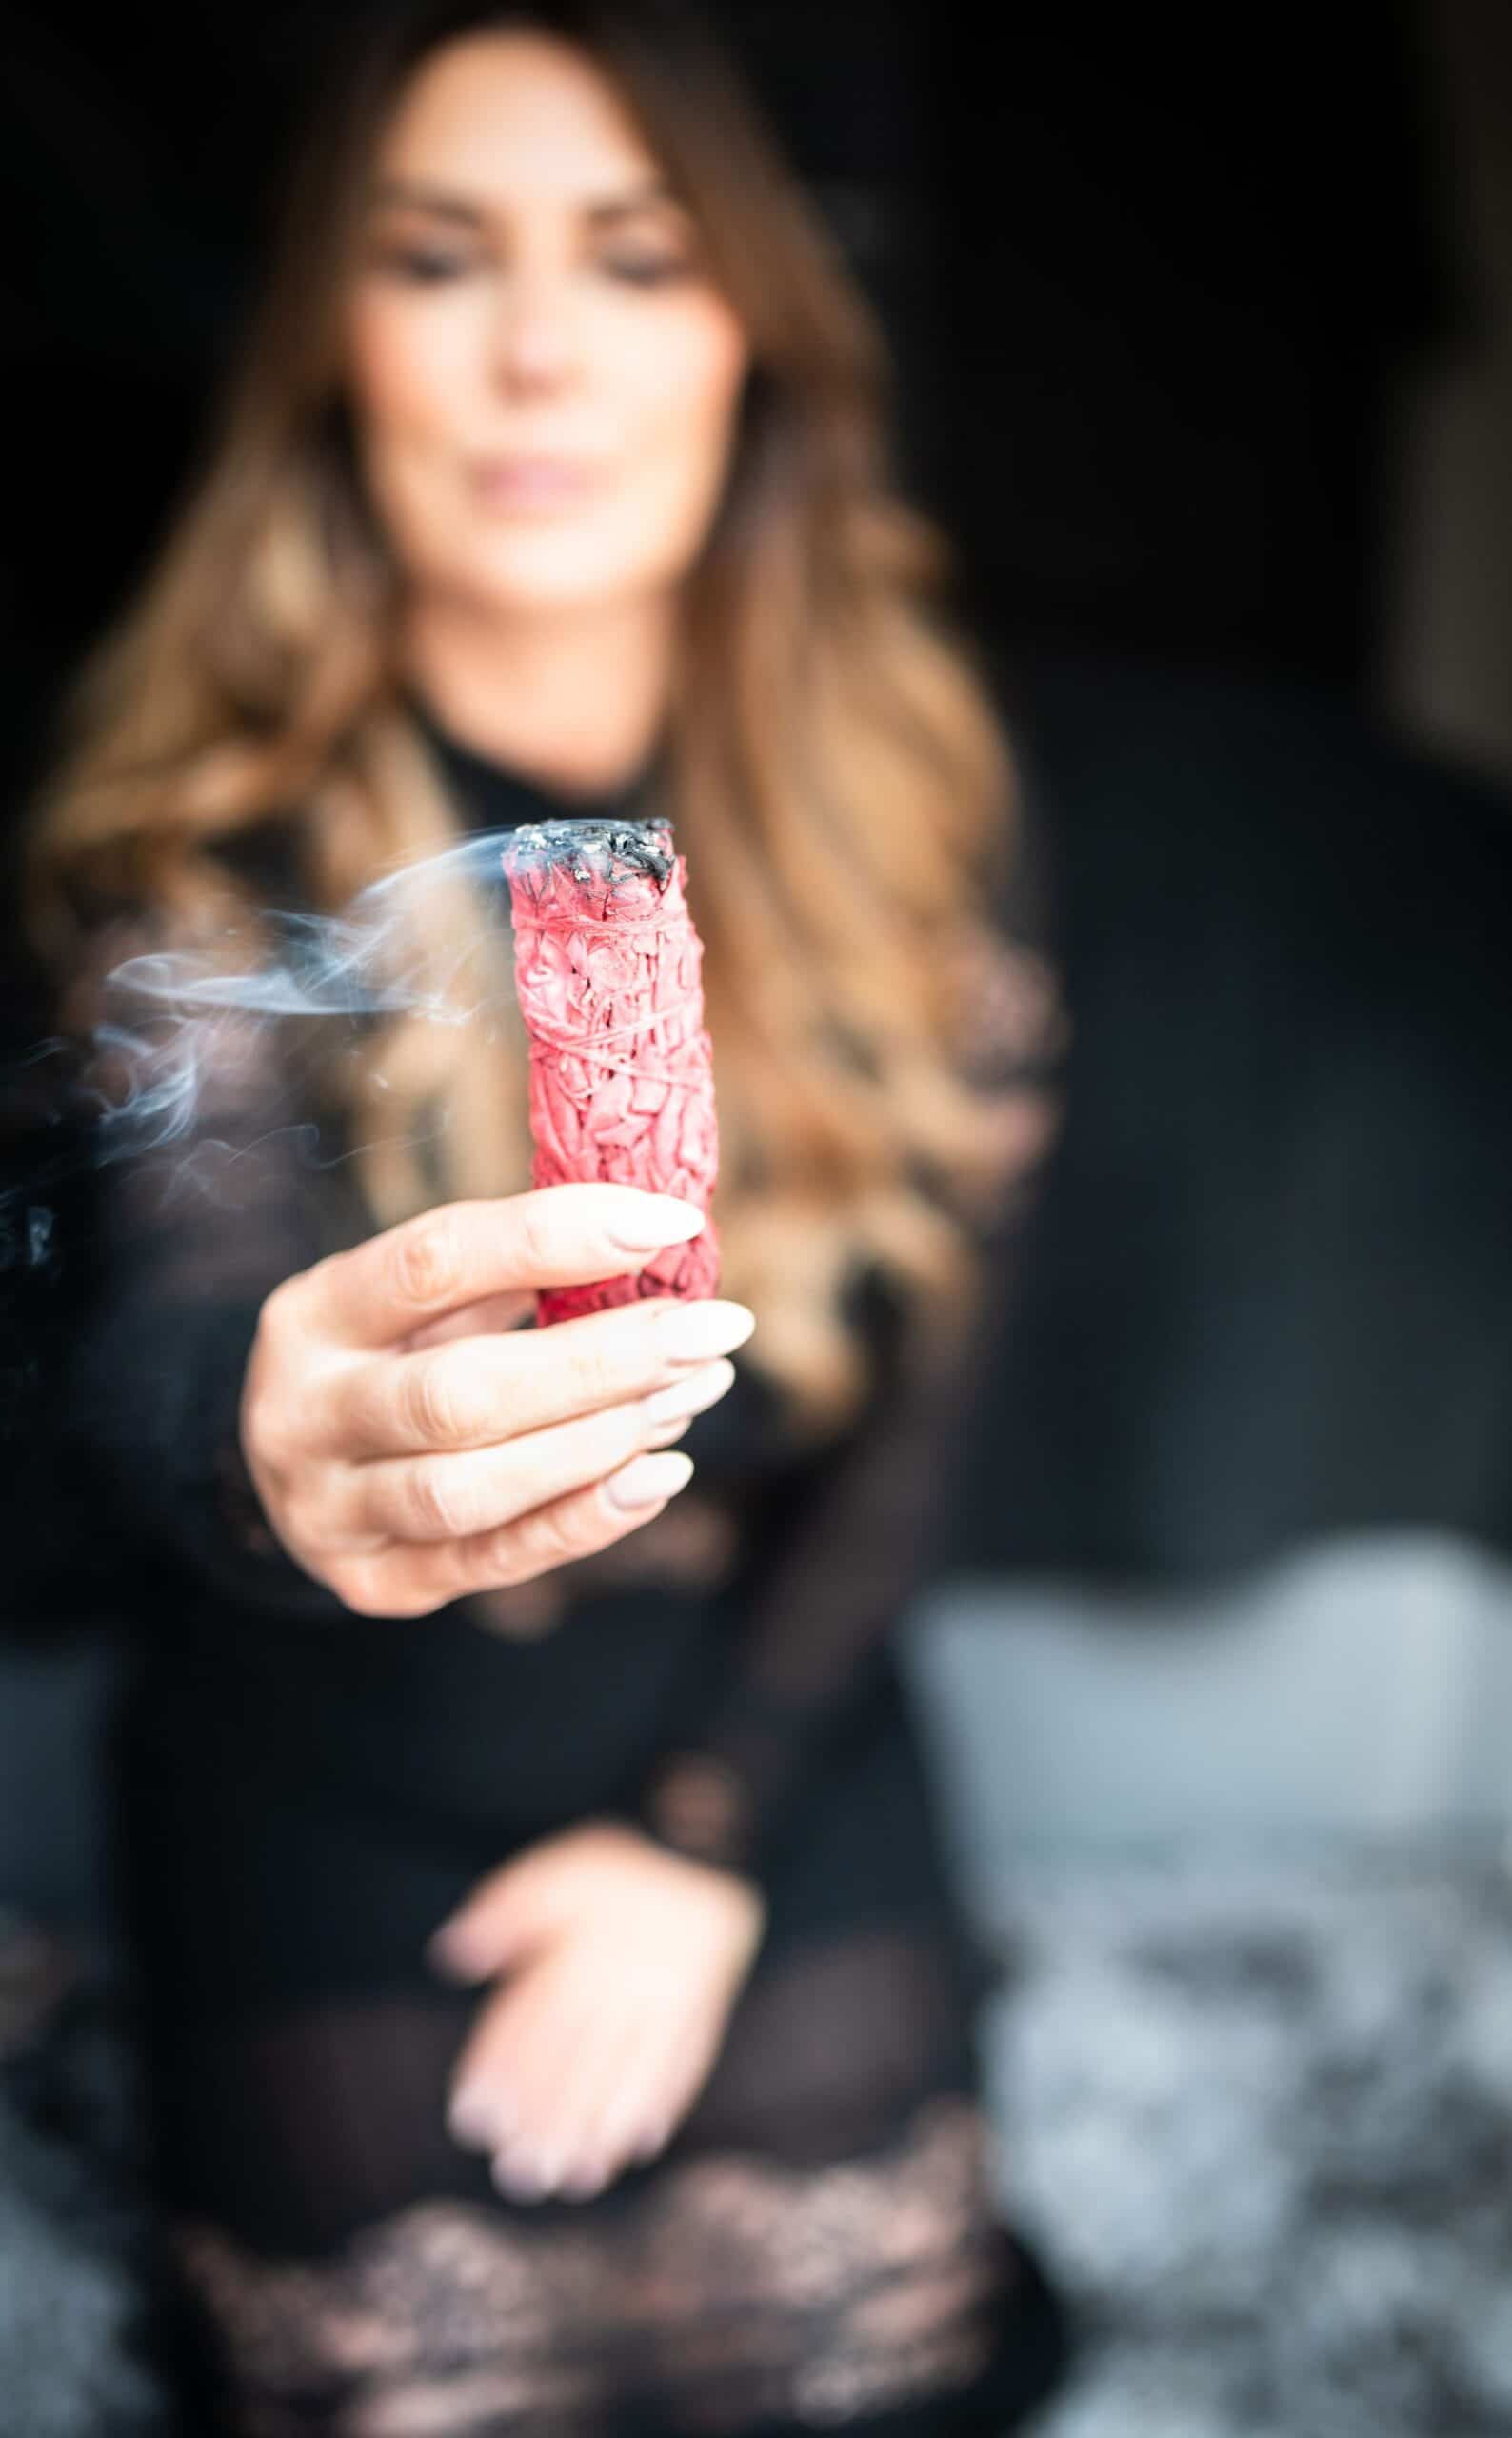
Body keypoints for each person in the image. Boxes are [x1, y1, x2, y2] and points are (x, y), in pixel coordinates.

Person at [22, 3, 1072, 2429]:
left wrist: (703, 1838)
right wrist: (263, 1441)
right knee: (413, 2369)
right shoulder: (192, 830)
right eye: (435, 256)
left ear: (751, 339)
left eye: (632, 255)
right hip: (322, 1741)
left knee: (864, 2340)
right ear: (329, 343)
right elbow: (179, 1307)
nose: (535, 353)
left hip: (753, 1707)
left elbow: (929, 1393)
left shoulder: (914, 793)